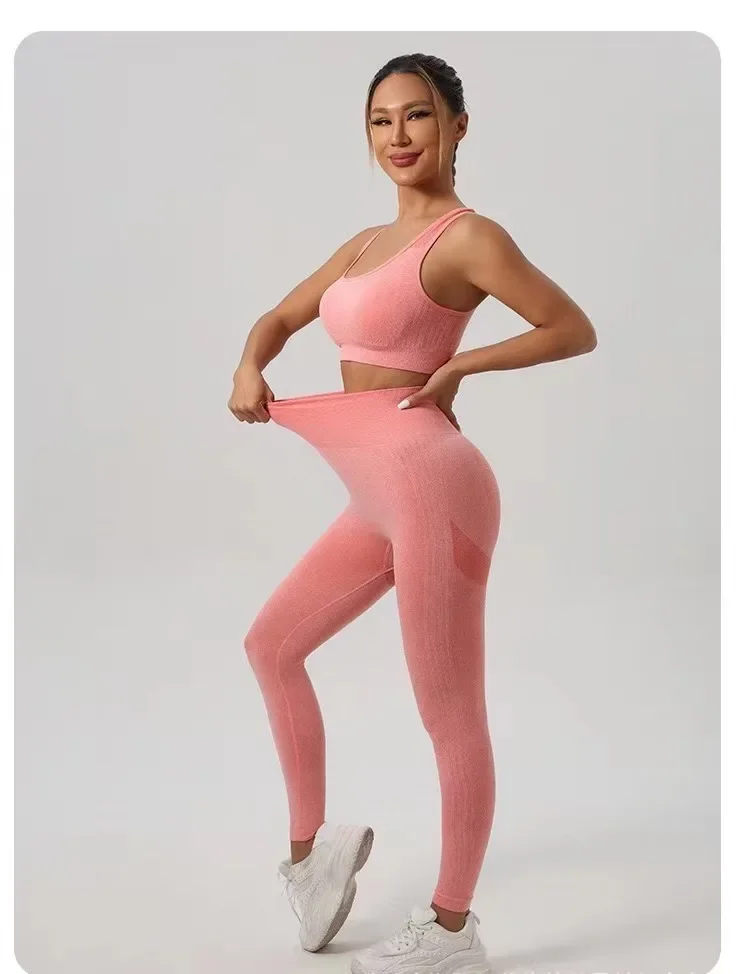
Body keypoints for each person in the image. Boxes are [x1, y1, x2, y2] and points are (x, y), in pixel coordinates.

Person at [229, 52, 597, 974]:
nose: (398, 136)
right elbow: (277, 319)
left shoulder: (468, 238)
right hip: (374, 493)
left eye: (418, 116)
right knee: (271, 646)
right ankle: (311, 862)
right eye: (381, 120)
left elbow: (570, 327)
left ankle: (451, 928)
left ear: (457, 126)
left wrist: (463, 364)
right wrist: (249, 365)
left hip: (435, 483)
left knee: (449, 711)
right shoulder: (362, 246)